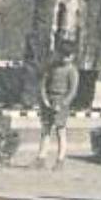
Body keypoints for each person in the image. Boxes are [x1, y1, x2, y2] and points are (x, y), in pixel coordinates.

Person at [34, 41, 79, 170]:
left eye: (68, 55)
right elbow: (43, 84)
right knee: (45, 129)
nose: (64, 58)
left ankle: (60, 160)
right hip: (48, 100)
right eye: (62, 55)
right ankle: (41, 158)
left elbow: (72, 91)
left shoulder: (72, 71)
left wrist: (63, 104)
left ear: (73, 56)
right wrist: (44, 99)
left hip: (61, 102)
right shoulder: (51, 67)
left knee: (60, 131)